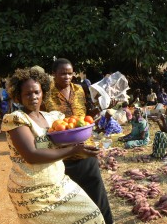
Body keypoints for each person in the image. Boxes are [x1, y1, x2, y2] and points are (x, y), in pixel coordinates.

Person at [1, 67, 105, 223]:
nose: (33, 97)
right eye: (27, 94)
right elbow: (31, 155)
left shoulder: (52, 118)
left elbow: (72, 133)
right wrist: (73, 150)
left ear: (43, 91)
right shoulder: (16, 119)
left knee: (92, 215)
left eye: (36, 92)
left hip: (58, 183)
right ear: (18, 97)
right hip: (31, 191)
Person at [45, 58, 113, 224]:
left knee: (97, 193)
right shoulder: (46, 94)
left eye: (70, 73)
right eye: (63, 73)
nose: (67, 77)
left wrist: (102, 108)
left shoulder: (79, 90)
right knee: (70, 201)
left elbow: (87, 114)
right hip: (62, 156)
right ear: (54, 74)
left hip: (85, 150)